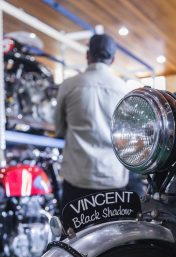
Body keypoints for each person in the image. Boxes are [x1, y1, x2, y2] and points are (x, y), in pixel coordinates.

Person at [55, 33, 129, 207]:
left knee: (74, 233)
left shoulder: (69, 85)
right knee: (114, 234)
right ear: (113, 59)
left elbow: (59, 128)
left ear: (87, 55)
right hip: (113, 179)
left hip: (77, 178)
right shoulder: (123, 90)